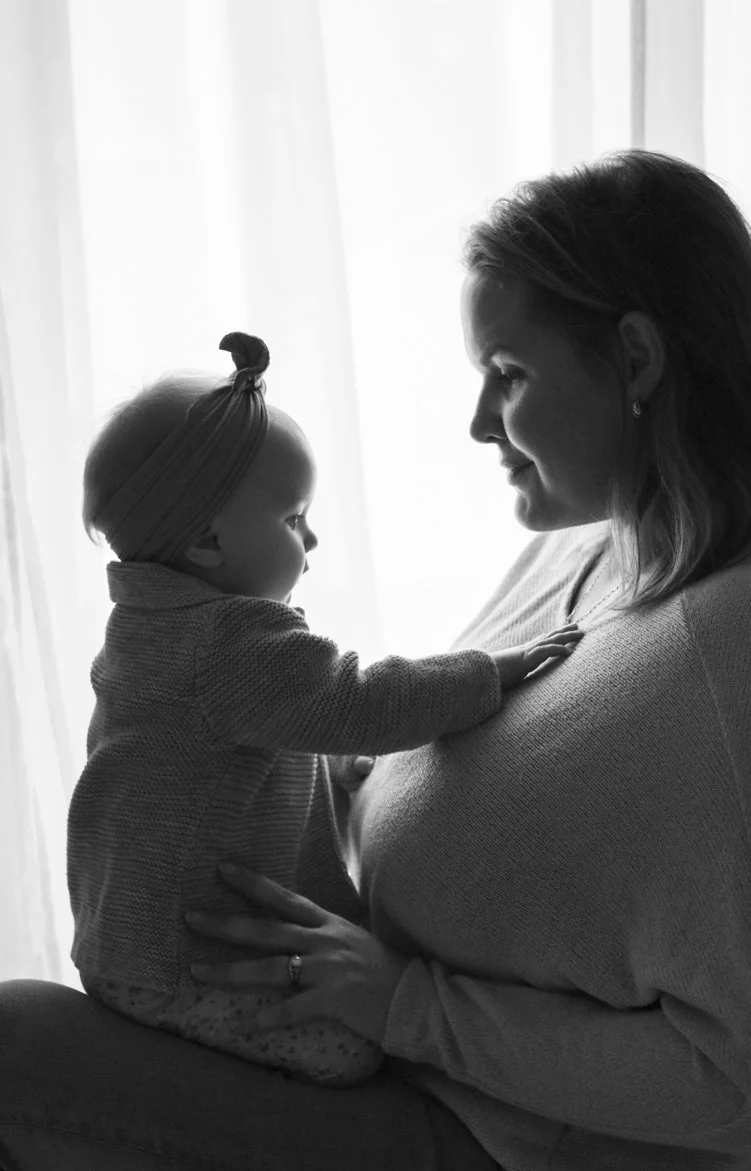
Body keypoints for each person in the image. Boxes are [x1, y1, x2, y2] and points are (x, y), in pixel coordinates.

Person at [2, 146, 751, 1171]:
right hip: (395, 1075)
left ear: (635, 360)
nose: (479, 422)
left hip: (515, 1158)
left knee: (14, 1051)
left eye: (509, 373)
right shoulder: (590, 547)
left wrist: (404, 1004)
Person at [65, 329, 583, 1089]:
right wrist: (488, 674)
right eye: (292, 518)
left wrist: (334, 769)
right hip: (184, 964)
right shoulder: (228, 640)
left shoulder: (150, 627)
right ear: (207, 541)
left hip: (127, 947)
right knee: (352, 1054)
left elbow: (235, 742)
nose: (312, 538)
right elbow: (357, 701)